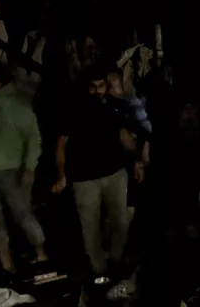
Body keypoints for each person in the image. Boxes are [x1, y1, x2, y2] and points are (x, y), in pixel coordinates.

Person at [52, 66, 145, 276]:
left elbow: (124, 135)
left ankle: (116, 263)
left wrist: (136, 162)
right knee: (90, 229)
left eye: (100, 86)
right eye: (92, 87)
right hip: (85, 179)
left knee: (120, 222)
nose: (96, 91)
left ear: (106, 86)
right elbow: (61, 145)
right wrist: (62, 174)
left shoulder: (115, 107)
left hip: (115, 174)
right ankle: (98, 271)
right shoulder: (72, 110)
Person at [0, 60, 47, 272]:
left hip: (11, 170)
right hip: (0, 169)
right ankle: (7, 263)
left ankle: (42, 255)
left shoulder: (15, 103)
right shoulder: (0, 103)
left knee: (23, 214)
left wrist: (29, 167)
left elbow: (33, 137)